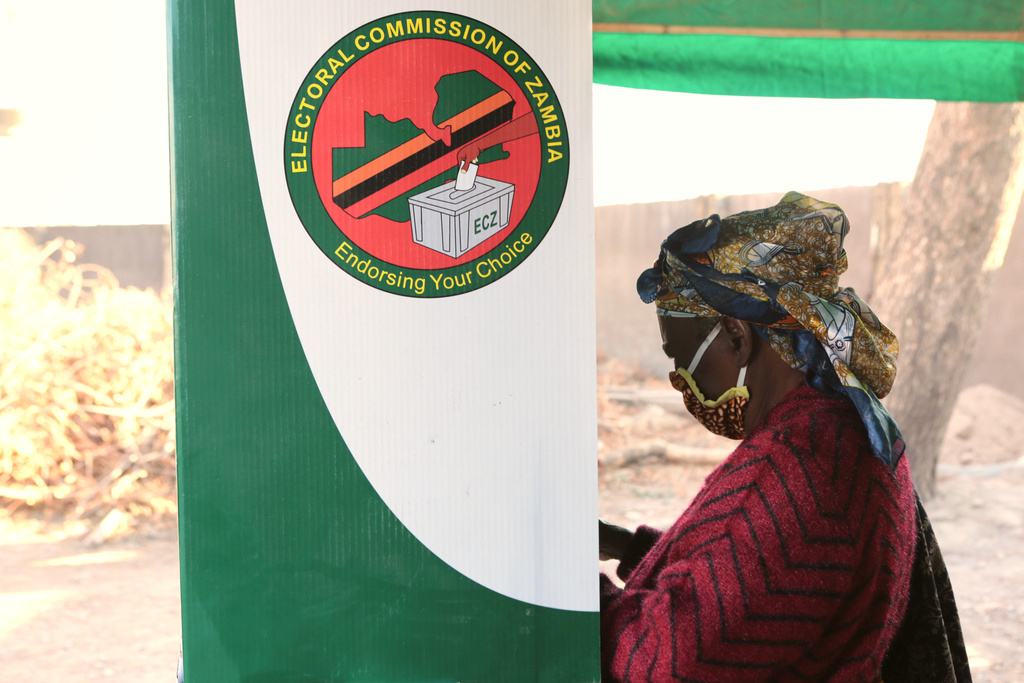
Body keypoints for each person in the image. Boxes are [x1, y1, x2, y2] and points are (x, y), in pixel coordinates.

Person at [599, 192, 971, 682]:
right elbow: (755, 581)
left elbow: (661, 663)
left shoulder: (805, 467)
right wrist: (632, 549)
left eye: (680, 356)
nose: (680, 378)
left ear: (735, 335)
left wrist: (583, 598)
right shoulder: (836, 428)